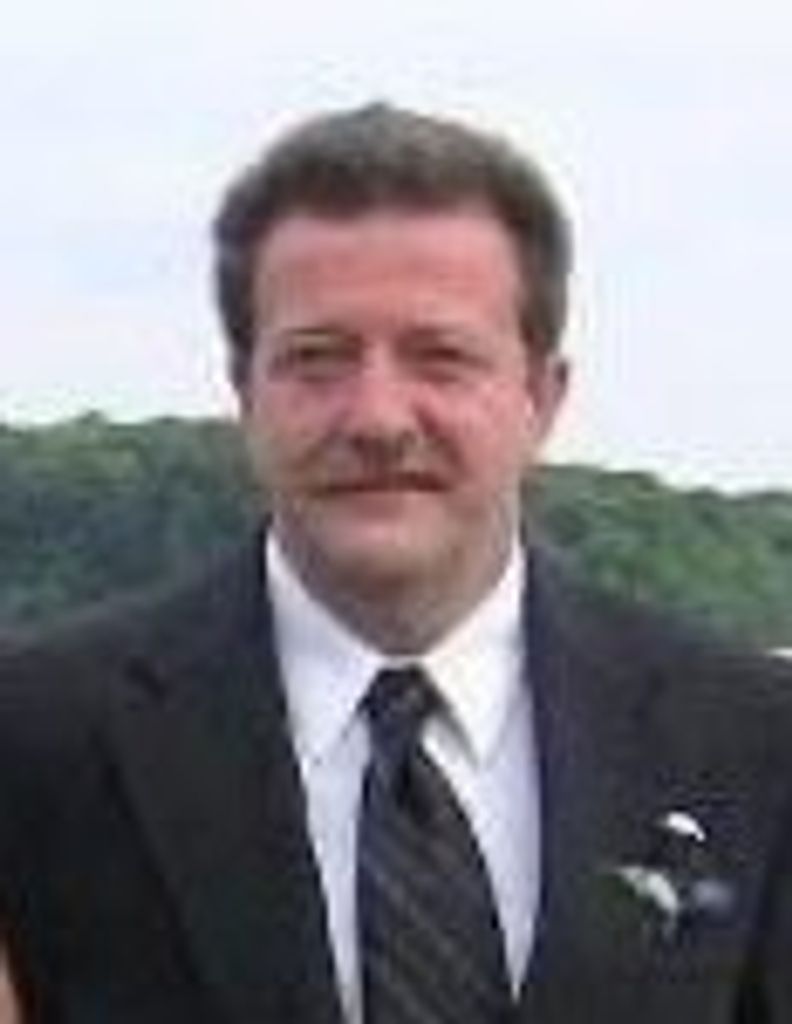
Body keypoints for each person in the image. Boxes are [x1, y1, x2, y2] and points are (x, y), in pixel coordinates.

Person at [1, 103, 792, 1024]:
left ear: (542, 397)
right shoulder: (39, 741)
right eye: (317, 359)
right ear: (244, 394)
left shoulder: (749, 741)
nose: (378, 417)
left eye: (440, 358)